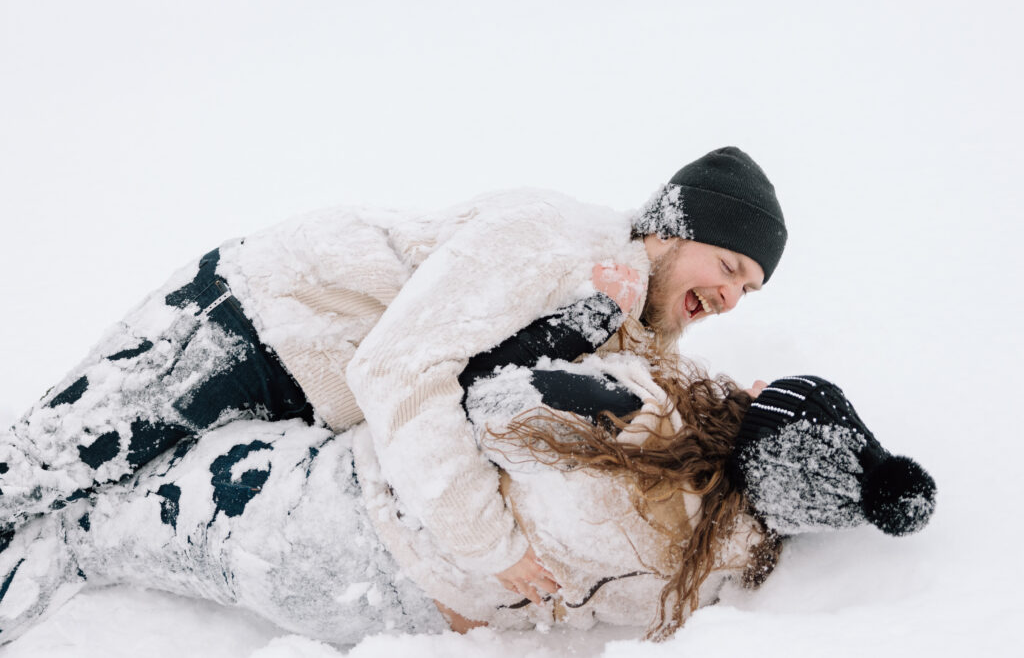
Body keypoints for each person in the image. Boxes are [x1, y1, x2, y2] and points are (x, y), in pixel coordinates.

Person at [0, 146, 788, 597]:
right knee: (47, 463)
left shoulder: (633, 316)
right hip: (252, 317)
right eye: (727, 264)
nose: (729, 296)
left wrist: (735, 405)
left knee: (111, 500)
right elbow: (400, 368)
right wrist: (490, 546)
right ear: (670, 227)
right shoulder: (554, 240)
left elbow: (641, 386)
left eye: (748, 289)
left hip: (314, 395)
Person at [0, 290, 935, 647]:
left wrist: (579, 354)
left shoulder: (634, 419)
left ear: (759, 418)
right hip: (385, 606)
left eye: (772, 393)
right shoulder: (726, 559)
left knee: (95, 517)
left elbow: (490, 401)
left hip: (324, 513)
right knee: (107, 545)